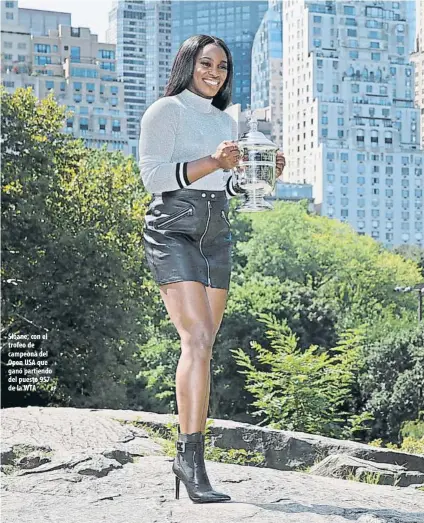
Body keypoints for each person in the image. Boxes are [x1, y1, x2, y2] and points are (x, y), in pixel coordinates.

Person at [138, 34, 285, 504]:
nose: (215, 72)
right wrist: (212, 160)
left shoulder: (227, 120)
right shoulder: (165, 112)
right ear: (188, 64)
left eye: (222, 66)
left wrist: (264, 174)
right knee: (196, 339)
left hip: (215, 236)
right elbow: (154, 177)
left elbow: (231, 188)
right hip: (173, 230)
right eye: (207, 63)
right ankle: (190, 459)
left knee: (204, 348)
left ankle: (191, 458)